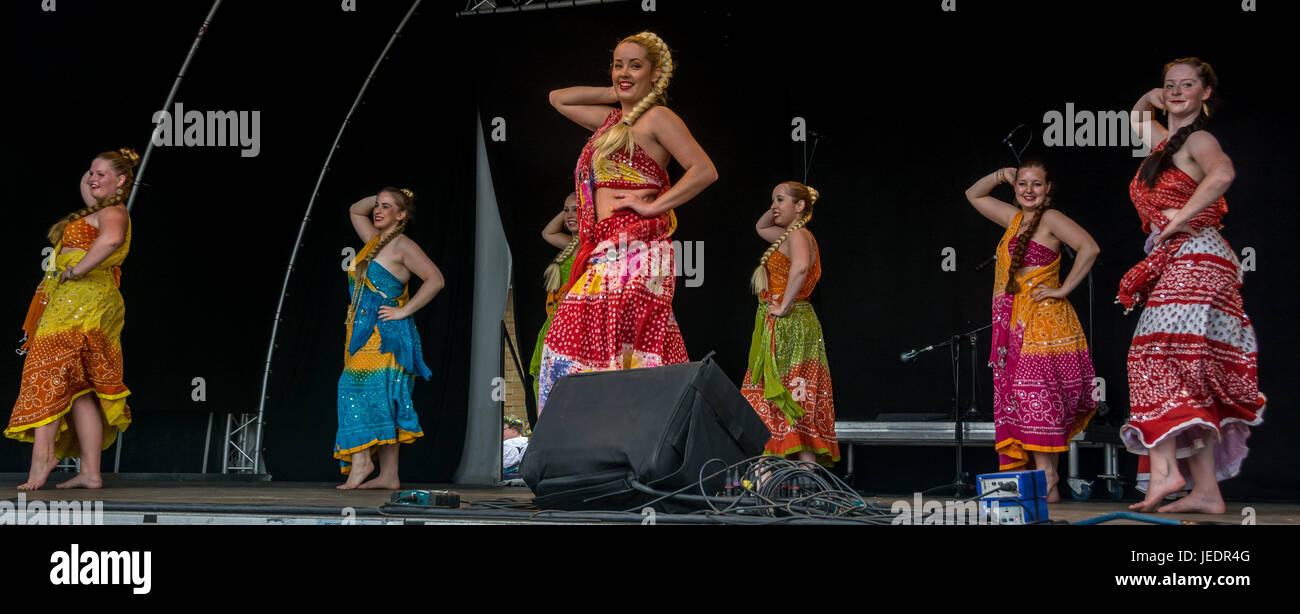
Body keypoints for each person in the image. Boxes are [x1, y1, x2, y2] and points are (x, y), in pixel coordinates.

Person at [538, 31, 717, 411]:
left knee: (624, 342)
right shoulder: (611, 122)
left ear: (656, 74)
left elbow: (704, 170)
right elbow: (558, 98)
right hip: (604, 245)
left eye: (635, 65)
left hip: (638, 248)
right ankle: (611, 435)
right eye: (618, 64)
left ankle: (634, 430)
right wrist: (616, 91)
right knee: (587, 341)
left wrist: (656, 206)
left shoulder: (659, 117)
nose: (624, 72)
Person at [1119, 58, 1265, 513]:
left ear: (1206, 93)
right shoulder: (1166, 143)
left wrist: (1176, 222)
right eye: (1170, 86)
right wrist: (1154, 98)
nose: (1177, 92)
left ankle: (1166, 473)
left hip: (1198, 255)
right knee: (1189, 371)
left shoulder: (1200, 138)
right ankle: (1206, 492)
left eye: (1187, 85)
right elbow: (1136, 116)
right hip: (1188, 257)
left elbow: (1222, 175)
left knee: (1149, 354)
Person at [965, 159, 1100, 502]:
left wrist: (1063, 289)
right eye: (1022, 184)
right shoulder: (1013, 220)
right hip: (1013, 326)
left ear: (1048, 188)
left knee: (1038, 398)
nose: (1028, 191)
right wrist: (1000, 174)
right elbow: (973, 194)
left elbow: (1090, 247)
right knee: (1022, 400)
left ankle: (1048, 477)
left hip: (1044, 323)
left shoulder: (1052, 219)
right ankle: (1043, 481)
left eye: (1036, 184)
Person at [7, 148, 137, 491]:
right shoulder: (100, 207)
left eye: (100, 174)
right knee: (80, 389)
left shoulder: (112, 211)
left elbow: (112, 240)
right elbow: (90, 191)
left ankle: (44, 456)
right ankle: (91, 472)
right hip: (80, 302)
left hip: (83, 303)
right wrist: (97, 175)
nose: (91, 179)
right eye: (89, 172)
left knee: (45, 368)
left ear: (121, 182)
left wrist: (76, 270)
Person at [336, 188, 445, 490]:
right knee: (384, 399)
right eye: (378, 206)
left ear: (402, 215)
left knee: (351, 387)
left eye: (387, 207)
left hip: (385, 334)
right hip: (361, 332)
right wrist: (385, 196)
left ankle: (361, 464)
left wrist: (403, 311)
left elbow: (436, 279)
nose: (377, 210)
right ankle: (389, 475)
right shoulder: (373, 240)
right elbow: (355, 209)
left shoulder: (402, 245)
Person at [740, 181, 839, 468]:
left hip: (790, 324)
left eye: (781, 200)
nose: (773, 206)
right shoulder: (786, 234)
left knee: (788, 394)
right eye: (772, 200)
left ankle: (768, 473)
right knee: (794, 395)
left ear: (800, 206)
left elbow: (801, 267)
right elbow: (761, 227)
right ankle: (804, 479)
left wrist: (783, 305)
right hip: (788, 325)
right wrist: (779, 205)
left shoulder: (799, 235)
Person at [527, 193, 579, 400]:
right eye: (566, 210)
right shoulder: (571, 244)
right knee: (547, 382)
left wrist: (585, 206)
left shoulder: (590, 247)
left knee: (567, 381)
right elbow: (547, 233)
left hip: (573, 325)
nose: (569, 215)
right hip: (555, 323)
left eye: (576, 208)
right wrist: (570, 212)